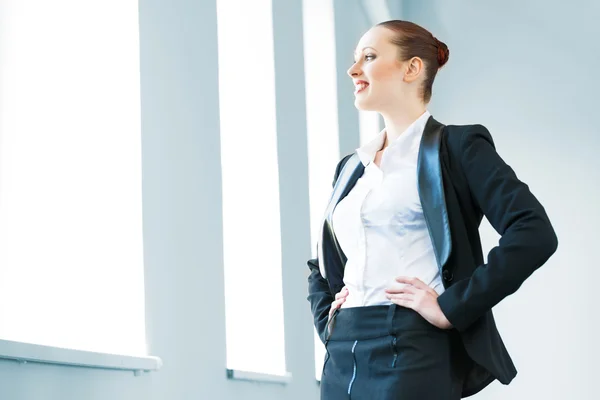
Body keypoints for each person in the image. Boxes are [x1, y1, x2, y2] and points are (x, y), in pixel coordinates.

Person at [306, 19, 558, 399]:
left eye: (369, 57)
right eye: (355, 59)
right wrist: (327, 317)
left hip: (410, 346)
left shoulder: (458, 147)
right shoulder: (349, 168)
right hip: (342, 354)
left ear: (412, 68)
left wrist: (452, 307)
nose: (353, 69)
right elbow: (320, 263)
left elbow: (533, 232)